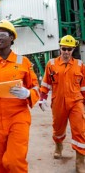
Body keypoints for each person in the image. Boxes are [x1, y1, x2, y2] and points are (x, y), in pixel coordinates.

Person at [0, 20, 39, 172]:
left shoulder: (23, 62)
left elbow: (36, 87)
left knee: (14, 161)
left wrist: (28, 93)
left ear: (12, 38)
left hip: (18, 117)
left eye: (2, 34)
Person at [39, 35, 85, 172]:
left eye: (69, 49)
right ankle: (58, 146)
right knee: (58, 129)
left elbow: (83, 87)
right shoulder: (51, 64)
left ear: (73, 50)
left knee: (80, 130)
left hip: (76, 101)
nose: (66, 52)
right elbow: (46, 83)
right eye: (64, 48)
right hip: (58, 101)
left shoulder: (80, 65)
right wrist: (42, 98)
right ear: (59, 48)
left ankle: (80, 161)